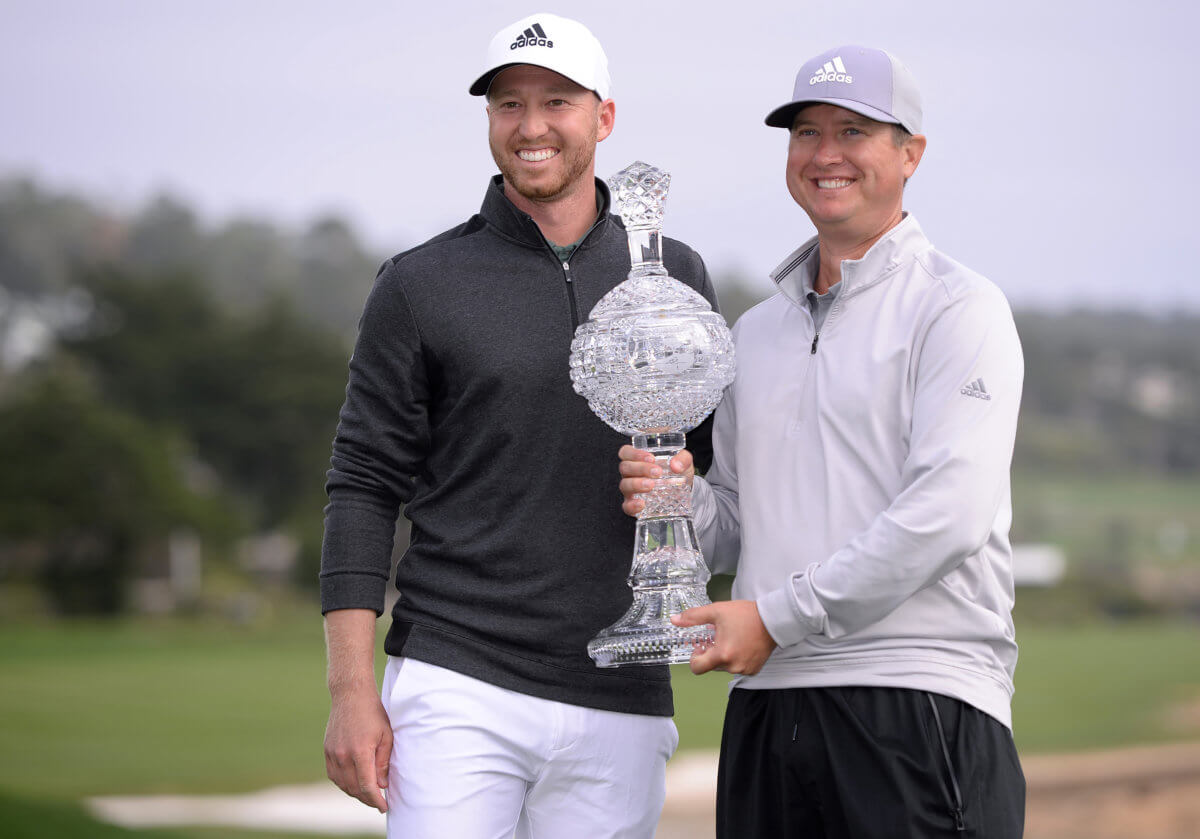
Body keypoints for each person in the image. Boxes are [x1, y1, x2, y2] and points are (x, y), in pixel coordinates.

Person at [319, 12, 719, 839]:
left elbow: (705, 470)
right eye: (508, 104)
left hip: (622, 687)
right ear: (490, 119)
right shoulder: (420, 283)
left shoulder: (675, 273)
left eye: (557, 102)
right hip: (459, 676)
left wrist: (682, 492)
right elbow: (361, 486)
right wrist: (351, 694)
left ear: (603, 117)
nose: (531, 126)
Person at [619, 45, 1026, 838]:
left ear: (911, 153)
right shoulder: (755, 332)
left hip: (917, 699)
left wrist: (773, 617)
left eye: (854, 131)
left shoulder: (959, 310)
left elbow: (946, 516)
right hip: (769, 709)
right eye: (806, 132)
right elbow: (739, 523)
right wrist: (683, 498)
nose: (825, 154)